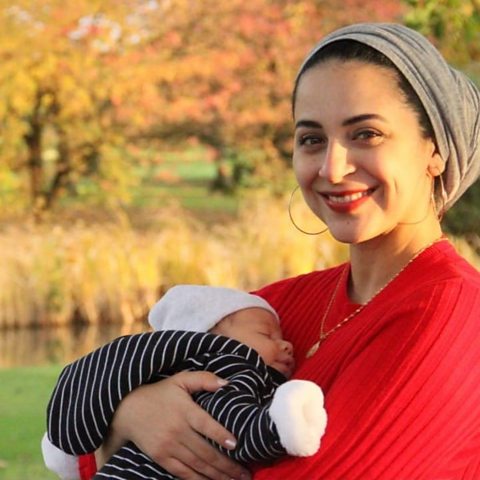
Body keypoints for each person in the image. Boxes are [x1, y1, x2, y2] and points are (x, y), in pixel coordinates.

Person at [46, 21, 480, 479]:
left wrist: (133, 425)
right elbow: (78, 452)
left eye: (366, 134)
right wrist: (137, 411)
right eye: (312, 139)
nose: (332, 168)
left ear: (435, 149)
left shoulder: (455, 314)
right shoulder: (269, 309)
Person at [42, 285, 327, 479]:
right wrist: (280, 425)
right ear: (211, 336)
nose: (287, 344)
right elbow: (234, 426)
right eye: (267, 336)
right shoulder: (225, 371)